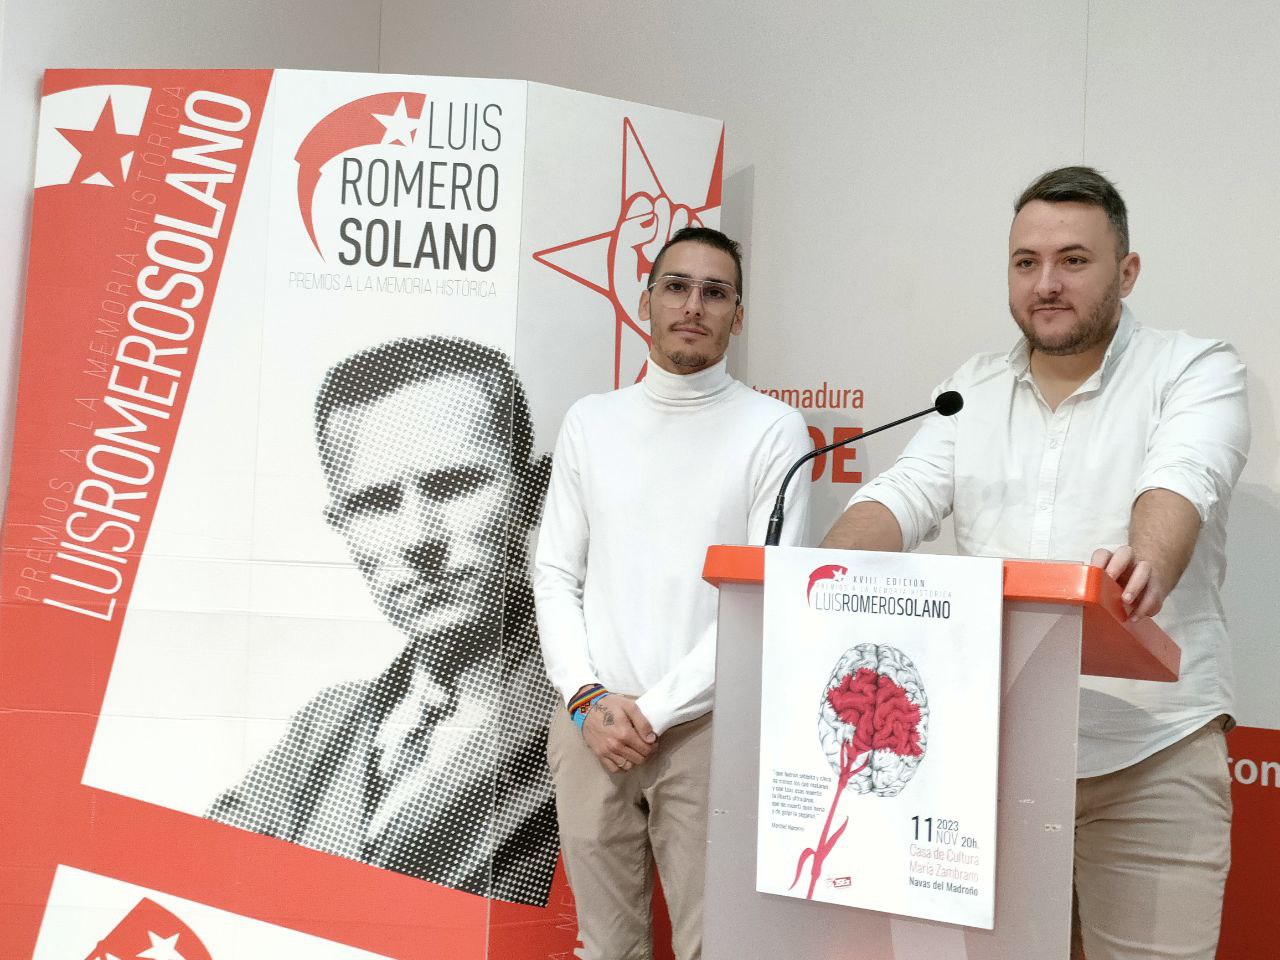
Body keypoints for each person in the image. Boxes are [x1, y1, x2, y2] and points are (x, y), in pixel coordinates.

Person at [822, 166, 1250, 960]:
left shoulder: (1195, 368)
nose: (1046, 283)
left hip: (1150, 755)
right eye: (1026, 262)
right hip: (995, 759)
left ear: (1127, 271)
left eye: (1073, 261)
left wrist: (1145, 561)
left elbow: (1184, 477)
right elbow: (904, 496)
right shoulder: (967, 391)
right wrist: (810, 583)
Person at [535, 225, 813, 960]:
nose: (694, 305)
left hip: (706, 727)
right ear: (646, 301)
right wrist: (589, 699)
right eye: (677, 286)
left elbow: (762, 599)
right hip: (591, 722)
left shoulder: (775, 431)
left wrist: (652, 713)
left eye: (715, 292)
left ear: (738, 315)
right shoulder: (591, 422)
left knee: (713, 946)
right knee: (606, 949)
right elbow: (556, 572)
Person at [208, 336, 559, 907]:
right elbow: (199, 884)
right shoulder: (325, 726)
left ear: (532, 490)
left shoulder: (597, 716)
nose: (420, 538)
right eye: (374, 503)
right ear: (341, 525)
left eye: (454, 485)